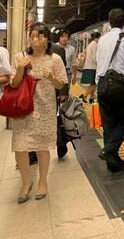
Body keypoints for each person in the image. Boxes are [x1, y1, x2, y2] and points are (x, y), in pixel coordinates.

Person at [10, 22, 67, 203]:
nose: (36, 39)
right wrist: (20, 68)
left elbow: (61, 84)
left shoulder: (55, 59)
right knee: (20, 147)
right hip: (23, 109)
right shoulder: (20, 57)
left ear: (47, 39)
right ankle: (26, 183)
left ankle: (43, 181)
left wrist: (51, 78)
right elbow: (13, 84)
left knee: (42, 147)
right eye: (33, 35)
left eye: (40, 36)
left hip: (45, 108)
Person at [96, 8, 124, 172]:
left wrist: (98, 85)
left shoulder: (102, 40)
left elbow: (99, 64)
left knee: (108, 124)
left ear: (109, 21)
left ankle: (112, 163)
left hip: (103, 84)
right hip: (121, 86)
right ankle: (108, 150)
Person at [80, 32, 101, 103]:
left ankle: (91, 98)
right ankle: (84, 96)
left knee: (92, 83)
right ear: (97, 38)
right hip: (92, 67)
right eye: (99, 37)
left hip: (89, 66)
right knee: (94, 84)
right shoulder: (95, 44)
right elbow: (95, 57)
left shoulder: (90, 44)